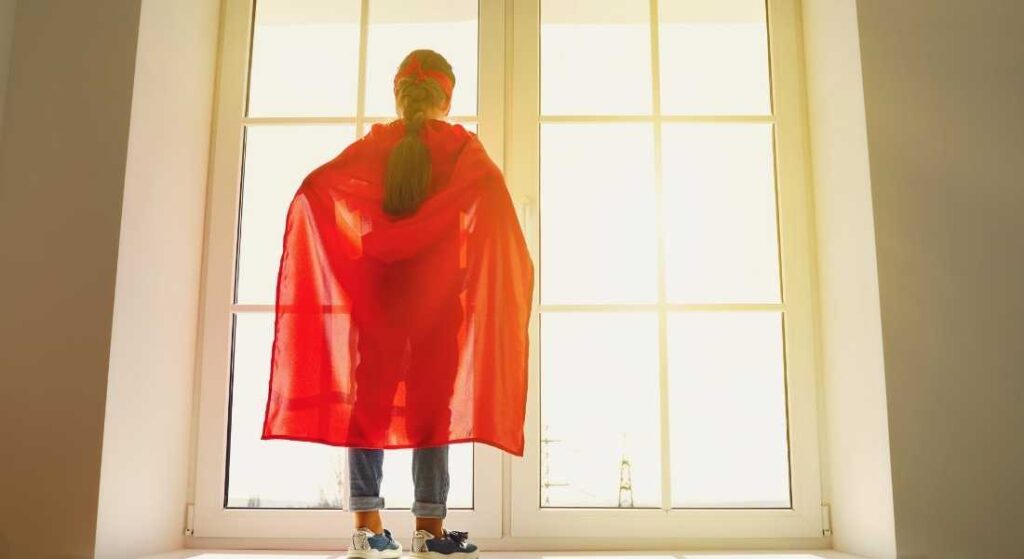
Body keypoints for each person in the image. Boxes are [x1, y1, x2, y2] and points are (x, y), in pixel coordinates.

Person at [260, 48, 533, 559]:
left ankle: (367, 528)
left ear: (398, 93)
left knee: (370, 403)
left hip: (379, 296)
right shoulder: (460, 149)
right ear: (446, 98)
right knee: (433, 408)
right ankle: (429, 531)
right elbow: (493, 202)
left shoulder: (376, 145)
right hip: (439, 304)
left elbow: (318, 188)